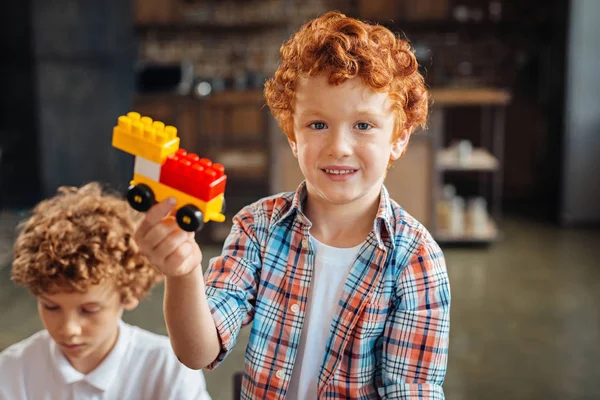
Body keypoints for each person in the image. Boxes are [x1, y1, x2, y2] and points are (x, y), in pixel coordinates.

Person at [134, 11, 451, 399]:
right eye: (317, 124)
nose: (339, 147)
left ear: (399, 139)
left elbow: (411, 391)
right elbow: (197, 352)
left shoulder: (416, 260)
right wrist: (183, 272)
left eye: (364, 125)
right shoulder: (257, 227)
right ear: (292, 135)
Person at [0, 183, 212, 400]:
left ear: (130, 294)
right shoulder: (11, 371)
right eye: (51, 307)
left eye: (89, 309)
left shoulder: (166, 368)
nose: (69, 329)